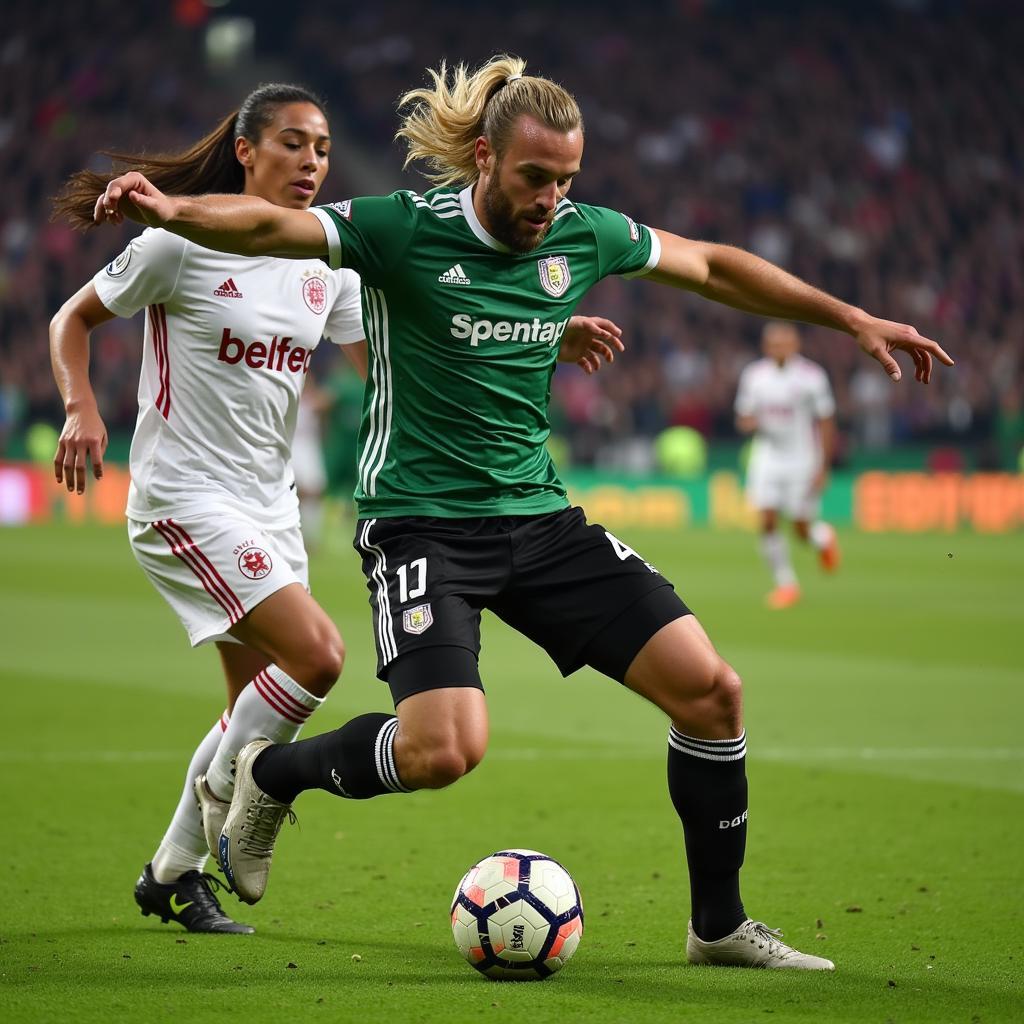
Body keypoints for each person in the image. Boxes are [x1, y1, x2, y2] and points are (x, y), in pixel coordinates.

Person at [94, 55, 952, 969]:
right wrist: (174, 211)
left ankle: (718, 927)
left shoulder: (583, 235)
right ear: (483, 159)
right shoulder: (401, 230)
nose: (552, 198)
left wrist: (851, 317)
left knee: (713, 693)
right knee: (442, 752)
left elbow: (710, 267)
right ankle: (271, 774)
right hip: (420, 524)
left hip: (539, 522)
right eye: (535, 177)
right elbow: (271, 222)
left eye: (567, 179)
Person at [53, 79, 621, 936]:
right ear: (247, 151)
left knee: (256, 695)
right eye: (292, 144)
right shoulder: (183, 239)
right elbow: (72, 318)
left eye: (321, 148)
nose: (312, 162)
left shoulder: (329, 265)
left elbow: (402, 353)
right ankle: (231, 786)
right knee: (316, 658)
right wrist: (80, 406)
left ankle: (171, 872)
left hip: (271, 507)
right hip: (185, 498)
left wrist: (545, 328)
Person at [735, 321, 840, 609]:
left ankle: (823, 538)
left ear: (795, 345)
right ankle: (786, 585)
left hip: (802, 459)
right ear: (765, 347)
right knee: (767, 520)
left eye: (783, 343)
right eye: (773, 344)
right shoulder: (754, 376)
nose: (777, 349)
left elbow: (826, 421)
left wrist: (824, 465)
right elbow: (743, 417)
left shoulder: (811, 376)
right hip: (767, 457)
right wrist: (749, 422)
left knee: (800, 528)